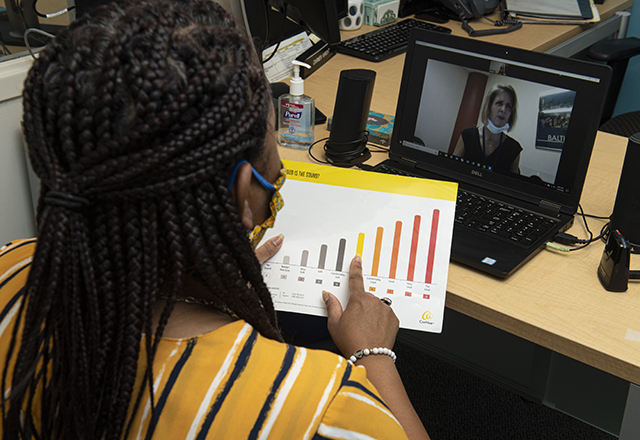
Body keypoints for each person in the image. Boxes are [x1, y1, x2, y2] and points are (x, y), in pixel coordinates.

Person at [0, 1, 430, 439]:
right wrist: (372, 355)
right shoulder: (317, 407)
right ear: (243, 194)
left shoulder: (8, 266)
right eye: (275, 181)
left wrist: (200, 264)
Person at [453, 84, 522, 174]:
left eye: (508, 106)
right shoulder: (467, 136)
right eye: (499, 103)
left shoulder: (514, 149)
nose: (503, 110)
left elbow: (513, 185)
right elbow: (452, 169)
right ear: (489, 107)